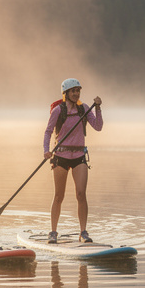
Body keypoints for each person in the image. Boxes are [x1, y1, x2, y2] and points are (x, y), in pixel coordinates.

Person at [42, 78, 103, 243]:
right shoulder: (58, 111)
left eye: (78, 91)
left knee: (81, 194)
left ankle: (83, 232)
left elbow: (98, 126)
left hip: (79, 157)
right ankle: (53, 232)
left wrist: (97, 108)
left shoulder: (84, 108)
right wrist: (46, 150)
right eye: (73, 91)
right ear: (66, 93)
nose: (76, 94)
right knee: (58, 196)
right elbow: (48, 132)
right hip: (60, 156)